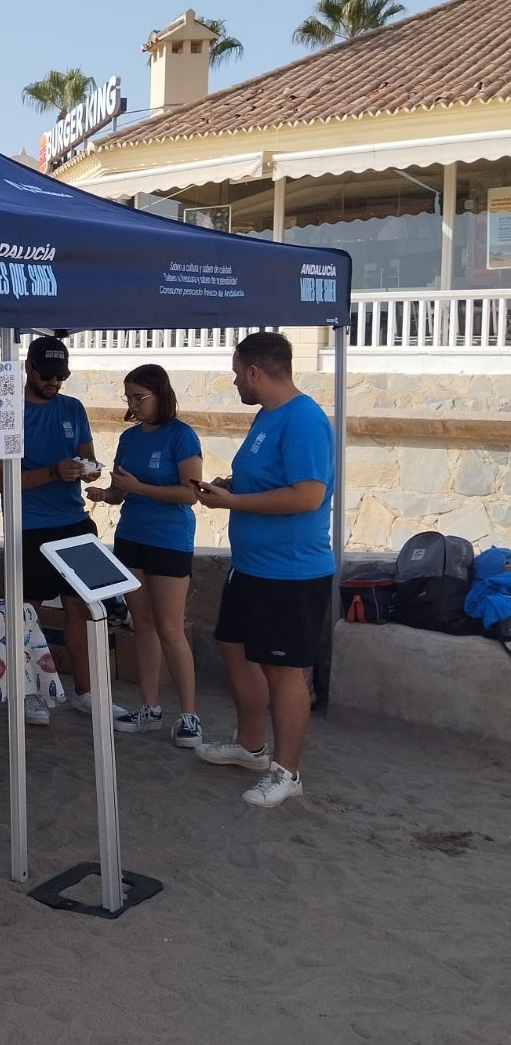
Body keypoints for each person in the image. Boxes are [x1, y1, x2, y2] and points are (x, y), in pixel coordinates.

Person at [192, 331, 334, 808]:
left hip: (290, 571)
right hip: (251, 566)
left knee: (283, 670)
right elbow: (269, 479)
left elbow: (308, 495)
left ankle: (287, 772)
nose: (235, 382)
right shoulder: (267, 417)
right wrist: (232, 487)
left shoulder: (304, 419)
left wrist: (234, 502)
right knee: (232, 646)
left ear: (254, 372)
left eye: (237, 374)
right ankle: (251, 745)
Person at [0, 334, 124, 727]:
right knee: (26, 612)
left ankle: (87, 693)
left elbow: (89, 459)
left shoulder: (73, 408)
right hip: (29, 526)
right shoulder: (5, 413)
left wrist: (88, 470)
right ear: (28, 369)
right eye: (46, 375)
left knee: (83, 607)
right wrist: (53, 472)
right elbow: (0, 481)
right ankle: (28, 691)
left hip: (73, 521)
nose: (54, 383)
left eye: (61, 376)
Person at [85, 364, 204, 747]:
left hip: (169, 540)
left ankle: (189, 715)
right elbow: (121, 490)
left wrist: (140, 488)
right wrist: (106, 494)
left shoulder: (182, 436)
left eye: (140, 397)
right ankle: (149, 707)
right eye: (129, 398)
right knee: (143, 624)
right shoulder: (129, 438)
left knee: (170, 628)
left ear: (160, 395)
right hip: (131, 537)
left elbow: (191, 494)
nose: (133, 405)